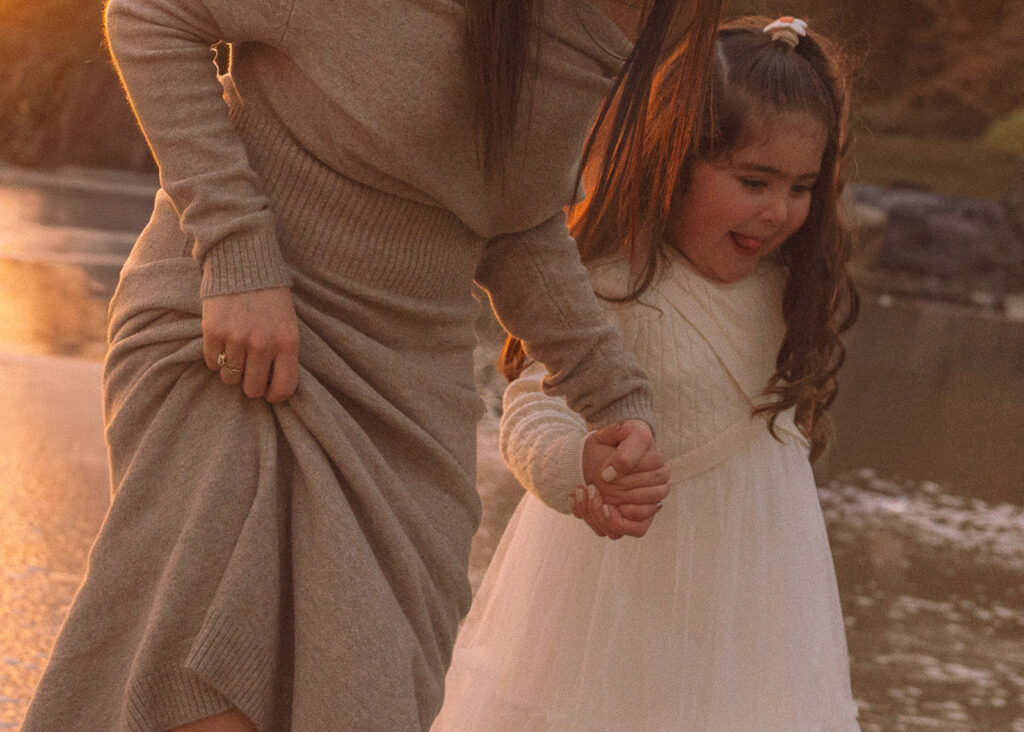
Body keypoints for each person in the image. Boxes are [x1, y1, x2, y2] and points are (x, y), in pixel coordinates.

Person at [20, 1, 725, 730]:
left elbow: (514, 221)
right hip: (231, 338)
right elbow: (152, 15)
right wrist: (238, 252)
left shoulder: (641, 14)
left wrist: (618, 401)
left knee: (357, 701)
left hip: (404, 407)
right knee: (206, 682)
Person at [433, 16, 862, 731]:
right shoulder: (617, 283)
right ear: (674, 156)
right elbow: (534, 406)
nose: (777, 210)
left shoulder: (789, 287)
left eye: (800, 187)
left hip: (751, 621)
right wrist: (578, 464)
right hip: (609, 614)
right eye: (753, 180)